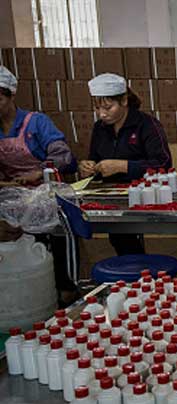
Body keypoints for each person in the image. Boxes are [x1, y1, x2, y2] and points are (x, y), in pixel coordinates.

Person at [0, 65, 80, 305]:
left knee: (52, 239)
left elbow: (65, 158)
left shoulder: (36, 123)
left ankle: (64, 288)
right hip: (11, 196)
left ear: (11, 95)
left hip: (45, 195)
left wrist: (38, 172)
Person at [78, 73, 172, 256]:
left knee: (127, 238)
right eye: (97, 108)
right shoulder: (100, 128)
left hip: (147, 196)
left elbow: (164, 164)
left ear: (124, 101)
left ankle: (140, 272)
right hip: (113, 197)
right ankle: (133, 270)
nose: (102, 114)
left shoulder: (146, 125)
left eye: (108, 107)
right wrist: (88, 168)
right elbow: (95, 160)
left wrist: (124, 166)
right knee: (120, 236)